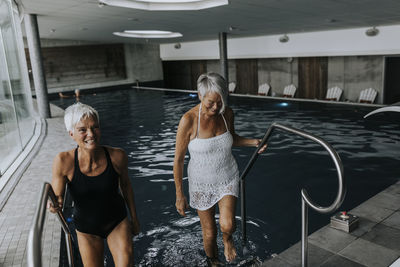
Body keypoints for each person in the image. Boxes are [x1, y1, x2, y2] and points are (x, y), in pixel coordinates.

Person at [173, 72, 267, 265]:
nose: (216, 107)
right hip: (201, 183)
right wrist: (179, 195)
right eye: (210, 102)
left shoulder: (227, 113)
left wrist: (254, 142)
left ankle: (228, 239)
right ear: (200, 95)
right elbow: (178, 160)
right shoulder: (188, 120)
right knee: (208, 233)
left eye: (220, 101)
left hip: (227, 176)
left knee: (228, 225)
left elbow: (232, 139)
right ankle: (213, 261)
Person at [49, 102, 140, 266]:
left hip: (117, 221)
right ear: (71, 134)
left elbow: (126, 186)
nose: (91, 134)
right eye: (82, 130)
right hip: (86, 229)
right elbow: (57, 198)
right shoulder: (63, 161)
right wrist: (54, 205)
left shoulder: (117, 156)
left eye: (95, 127)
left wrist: (134, 218)